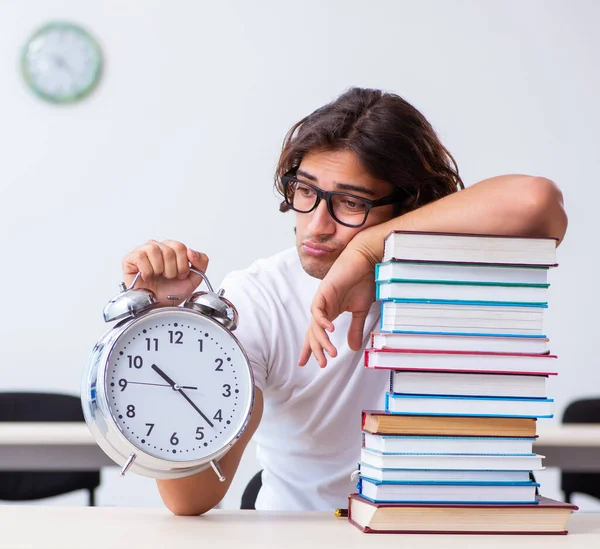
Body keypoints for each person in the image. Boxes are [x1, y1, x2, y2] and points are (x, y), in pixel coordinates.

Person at [121, 87, 568, 515]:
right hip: (298, 535)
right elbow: (190, 499)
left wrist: (367, 250)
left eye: (350, 203)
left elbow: (536, 202)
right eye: (306, 191)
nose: (317, 225)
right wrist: (172, 332)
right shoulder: (259, 298)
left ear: (407, 205)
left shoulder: (443, 277)